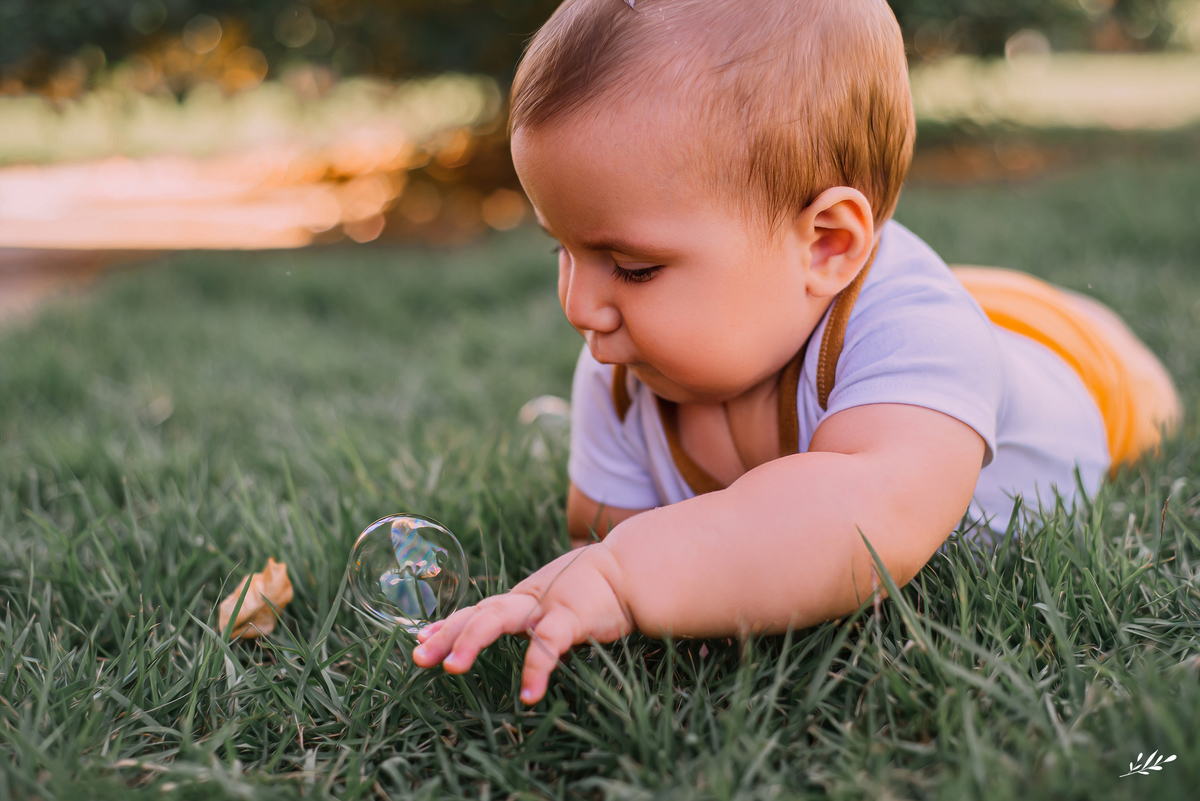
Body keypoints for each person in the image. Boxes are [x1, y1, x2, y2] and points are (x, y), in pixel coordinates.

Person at [412, 0, 1179, 704]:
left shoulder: (922, 337)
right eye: (562, 249)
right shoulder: (619, 373)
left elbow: (860, 522)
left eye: (633, 267)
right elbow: (601, 533)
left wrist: (627, 575)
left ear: (826, 245)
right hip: (855, 311)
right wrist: (588, 582)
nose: (578, 305)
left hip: (1072, 367)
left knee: (1146, 399)